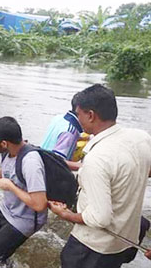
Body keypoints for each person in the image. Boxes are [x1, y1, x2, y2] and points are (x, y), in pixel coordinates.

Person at [48, 84, 151, 268]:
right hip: (126, 240)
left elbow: (100, 218)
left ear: (91, 115)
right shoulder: (141, 137)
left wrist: (65, 214)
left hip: (93, 247)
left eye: (78, 114)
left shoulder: (97, 158)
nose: (77, 119)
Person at [0, 117, 48, 267]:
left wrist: (11, 187)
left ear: (4, 143)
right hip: (7, 208)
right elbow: (7, 172)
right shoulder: (8, 152)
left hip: (26, 219)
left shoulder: (31, 163)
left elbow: (40, 204)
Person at [39, 95, 84, 170]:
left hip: (41, 162)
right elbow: (57, 161)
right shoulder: (70, 132)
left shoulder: (59, 118)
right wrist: (84, 166)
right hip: (49, 171)